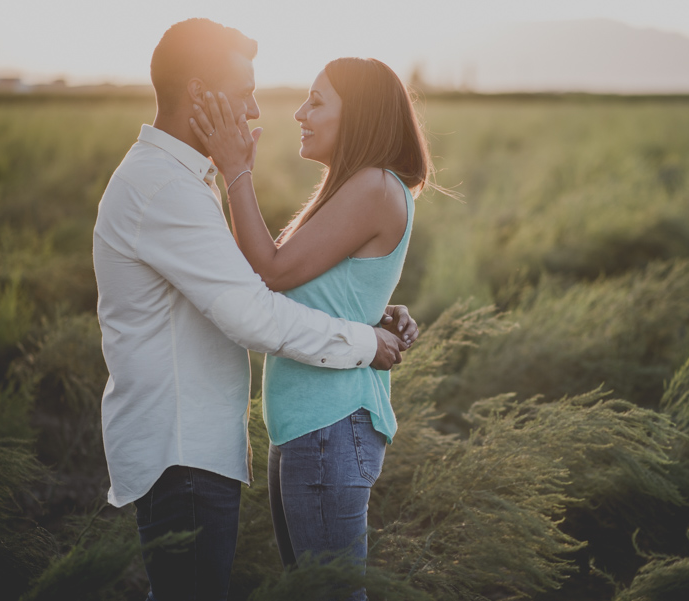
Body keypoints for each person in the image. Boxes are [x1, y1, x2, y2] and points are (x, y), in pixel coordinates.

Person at [93, 20, 416, 601]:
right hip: (186, 446)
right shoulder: (168, 187)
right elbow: (253, 305)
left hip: (245, 438)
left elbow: (258, 284)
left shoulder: (184, 181)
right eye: (244, 89)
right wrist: (363, 336)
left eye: (316, 102)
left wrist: (364, 310)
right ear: (200, 94)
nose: (257, 109)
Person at [189, 56, 435, 599]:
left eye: (317, 101)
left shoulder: (373, 185)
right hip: (310, 427)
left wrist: (236, 172)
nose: (300, 113)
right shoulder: (356, 187)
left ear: (362, 116)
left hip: (330, 426)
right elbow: (326, 288)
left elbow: (272, 271)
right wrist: (376, 314)